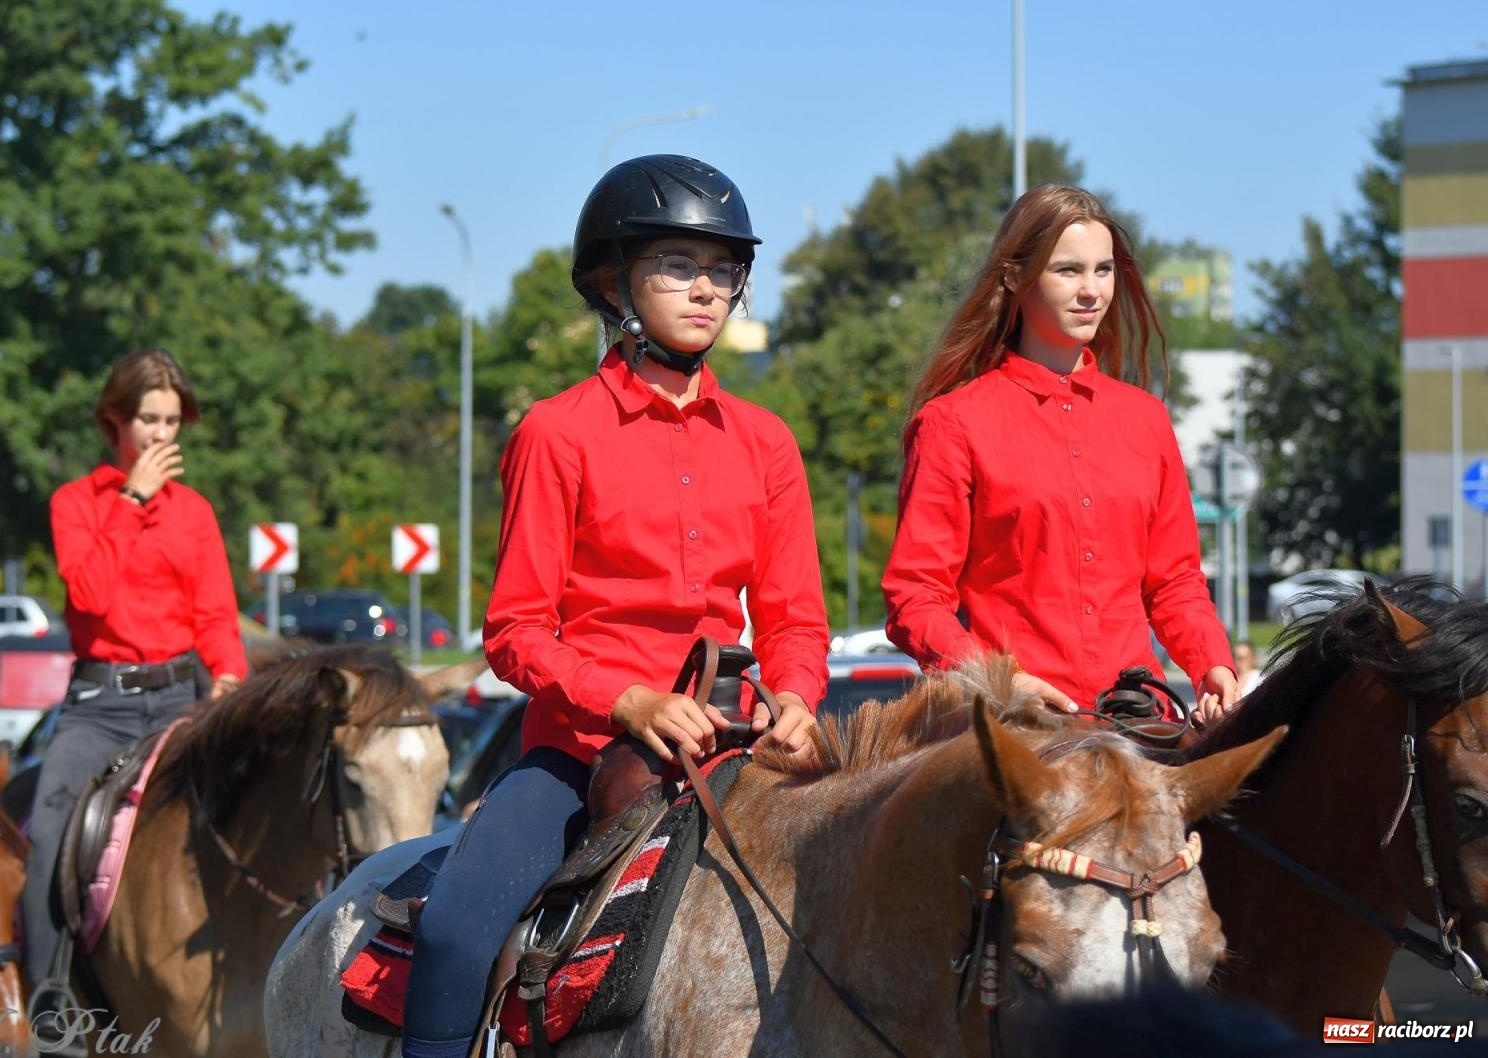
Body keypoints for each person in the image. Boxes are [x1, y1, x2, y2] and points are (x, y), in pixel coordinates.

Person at [400, 154, 830, 1058]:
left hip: (733, 752)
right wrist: (630, 701)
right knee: (451, 933)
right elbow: (515, 632)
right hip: (580, 759)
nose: (706, 290)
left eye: (723, 271)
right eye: (678, 265)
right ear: (613, 282)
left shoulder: (768, 443)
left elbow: (793, 617)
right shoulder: (555, 431)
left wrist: (796, 695)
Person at [881, 184, 1238, 725]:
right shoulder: (952, 423)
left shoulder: (1146, 420)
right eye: (1068, 271)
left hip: (1138, 718)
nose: (1091, 291)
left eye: (1104, 270)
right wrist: (999, 679)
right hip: (1013, 727)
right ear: (1013, 277)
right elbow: (917, 595)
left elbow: (1174, 582)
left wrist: (1212, 662)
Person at [22, 348, 247, 990]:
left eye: (171, 421)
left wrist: (228, 676)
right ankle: (47, 1000)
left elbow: (216, 616)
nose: (161, 434)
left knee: (257, 809)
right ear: (115, 421)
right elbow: (89, 597)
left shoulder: (194, 511)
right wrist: (132, 500)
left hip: (182, 701)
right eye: (148, 419)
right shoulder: (76, 502)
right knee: (48, 837)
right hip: (101, 707)